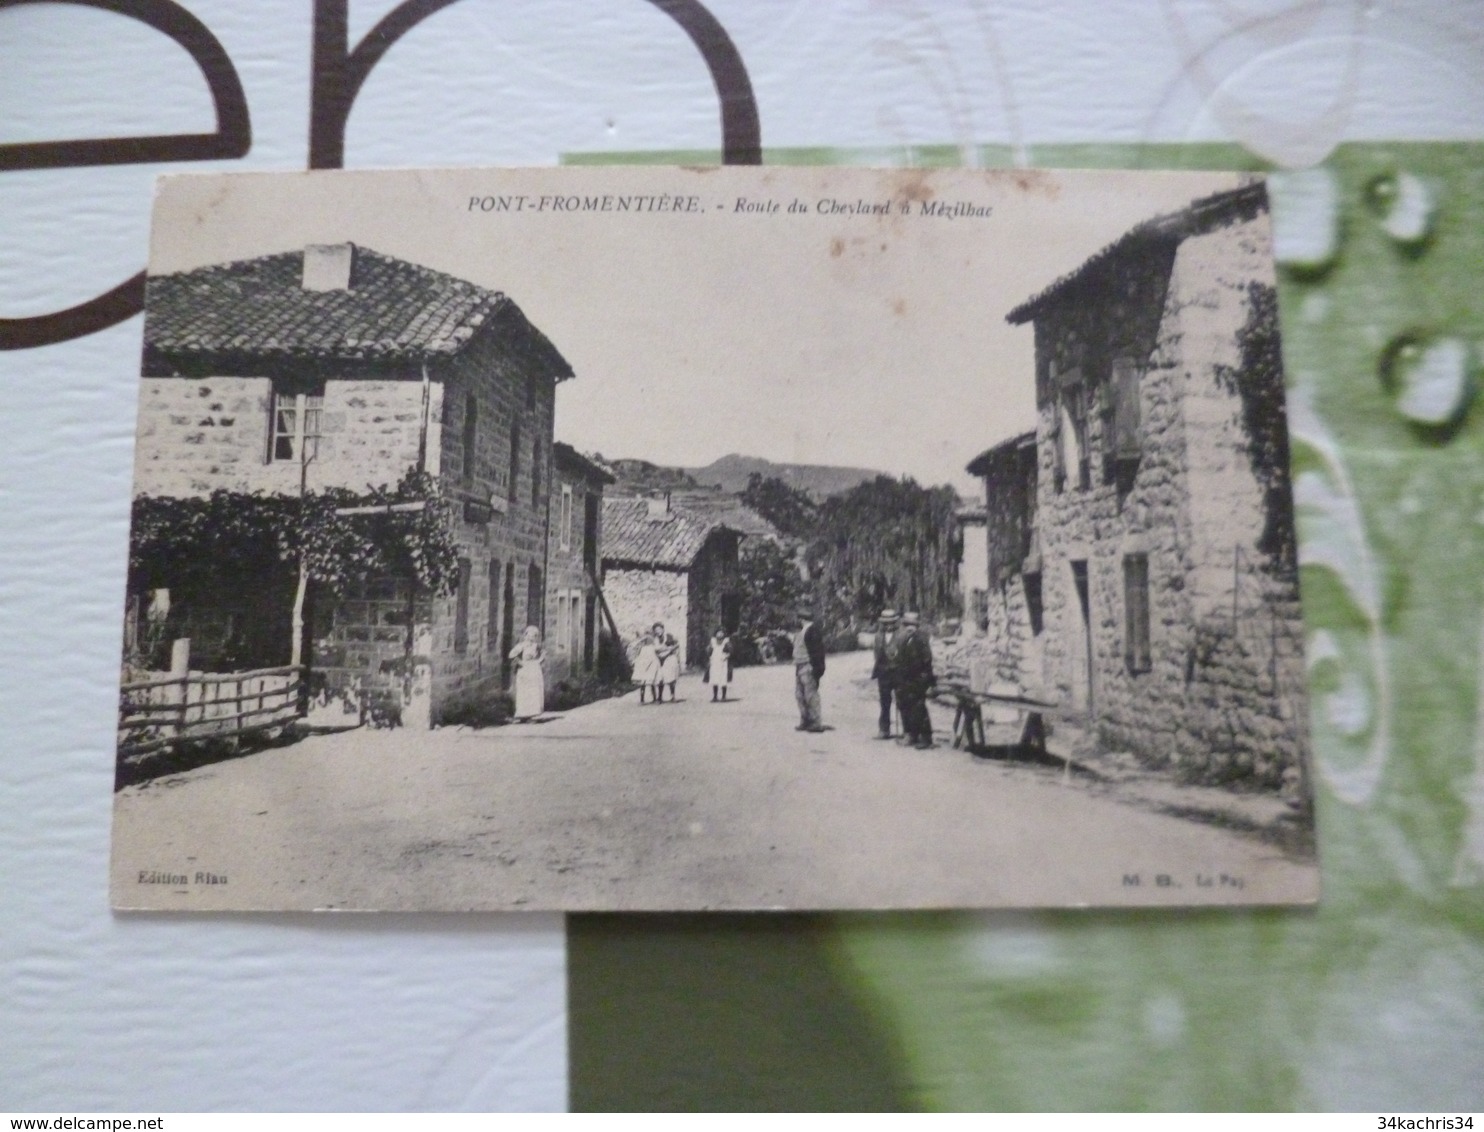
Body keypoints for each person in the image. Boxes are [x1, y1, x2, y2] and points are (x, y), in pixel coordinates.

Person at [893, 611, 936, 748]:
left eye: (913, 625)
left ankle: (925, 737)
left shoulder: (922, 639)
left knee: (919, 708)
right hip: (905, 679)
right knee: (904, 706)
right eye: (907, 625)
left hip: (918, 679)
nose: (910, 628)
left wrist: (924, 679)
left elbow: (927, 660)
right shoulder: (902, 639)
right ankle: (910, 734)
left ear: (917, 626)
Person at [792, 605, 826, 732]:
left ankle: (816, 722)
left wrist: (817, 669)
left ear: (802, 619)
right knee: (800, 695)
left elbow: (818, 653)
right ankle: (805, 720)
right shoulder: (801, 632)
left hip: (808, 667)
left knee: (811, 695)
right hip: (799, 666)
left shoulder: (812, 631)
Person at [870, 608, 901, 739]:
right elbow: (876, 654)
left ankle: (908, 731)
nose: (888, 625)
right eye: (885, 623)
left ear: (895, 623)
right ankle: (884, 729)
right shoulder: (878, 636)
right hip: (883, 673)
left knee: (902, 701)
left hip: (897, 672)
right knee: (884, 702)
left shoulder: (900, 635)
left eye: (891, 622)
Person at [508, 624, 546, 722]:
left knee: (533, 691)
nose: (531, 638)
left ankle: (532, 713)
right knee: (524, 691)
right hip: (525, 670)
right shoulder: (521, 645)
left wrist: (539, 660)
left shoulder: (536, 646)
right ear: (526, 635)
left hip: (533, 669)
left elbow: (543, 653)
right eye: (529, 635)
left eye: (534, 636)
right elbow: (511, 655)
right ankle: (522, 713)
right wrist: (519, 662)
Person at [653, 622, 680, 703]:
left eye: (659, 629)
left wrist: (669, 649)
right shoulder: (655, 639)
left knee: (671, 678)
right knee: (660, 679)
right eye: (656, 630)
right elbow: (657, 650)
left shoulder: (669, 636)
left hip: (670, 659)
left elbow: (676, 645)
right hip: (660, 660)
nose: (658, 631)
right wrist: (668, 649)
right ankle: (660, 697)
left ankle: (672, 696)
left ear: (663, 629)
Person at [632, 630, 660, 704]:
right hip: (643, 665)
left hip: (651, 665)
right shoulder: (642, 647)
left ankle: (654, 698)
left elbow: (657, 652)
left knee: (651, 681)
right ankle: (642, 699)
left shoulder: (652, 647)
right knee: (643, 682)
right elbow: (634, 647)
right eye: (646, 639)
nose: (648, 640)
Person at [706, 627, 733, 702]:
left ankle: (723, 696)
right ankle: (715, 696)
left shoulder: (726, 641)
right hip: (715, 662)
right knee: (714, 678)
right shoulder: (713, 641)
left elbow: (731, 651)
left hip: (723, 662)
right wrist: (709, 651)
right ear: (716, 633)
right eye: (719, 632)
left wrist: (727, 655)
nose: (720, 634)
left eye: (722, 632)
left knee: (723, 679)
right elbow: (709, 651)